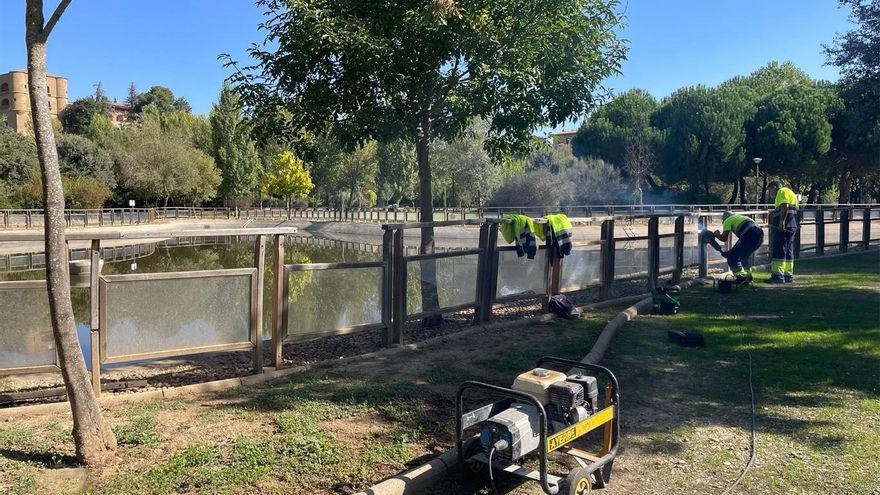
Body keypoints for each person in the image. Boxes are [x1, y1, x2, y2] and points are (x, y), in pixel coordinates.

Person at [714, 211, 764, 283]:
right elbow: (739, 244)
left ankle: (742, 278)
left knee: (733, 257)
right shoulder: (741, 217)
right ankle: (747, 277)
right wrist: (731, 252)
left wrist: (717, 234)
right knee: (742, 255)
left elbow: (724, 238)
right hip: (759, 235)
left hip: (748, 235)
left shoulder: (728, 220)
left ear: (725, 217)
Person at [766, 181, 799, 283]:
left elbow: (785, 206)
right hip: (791, 225)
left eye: (769, 189)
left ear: (774, 187)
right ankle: (788, 275)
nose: (769, 192)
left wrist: (781, 222)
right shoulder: (790, 193)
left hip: (784, 226)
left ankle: (778, 276)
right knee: (788, 250)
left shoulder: (782, 191)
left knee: (779, 249)